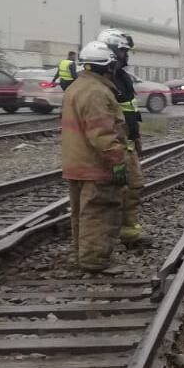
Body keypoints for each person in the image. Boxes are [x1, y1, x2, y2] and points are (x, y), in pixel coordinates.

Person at [60, 40, 128, 272]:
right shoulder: (97, 93)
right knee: (99, 211)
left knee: (83, 213)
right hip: (95, 164)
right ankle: (95, 260)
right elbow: (102, 133)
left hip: (76, 162)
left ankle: (82, 255)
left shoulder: (76, 87)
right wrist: (117, 161)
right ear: (107, 66)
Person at [97, 29, 145, 244]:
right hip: (114, 144)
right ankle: (108, 234)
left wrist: (135, 137)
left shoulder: (122, 77)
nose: (126, 56)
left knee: (133, 187)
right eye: (124, 51)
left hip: (127, 141)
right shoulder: (103, 80)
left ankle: (128, 231)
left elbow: (130, 111)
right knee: (115, 191)